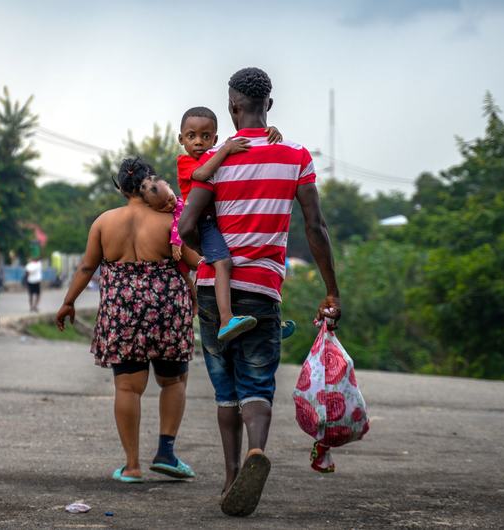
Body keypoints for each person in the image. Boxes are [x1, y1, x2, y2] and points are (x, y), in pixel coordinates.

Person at [179, 67, 341, 517]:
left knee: (225, 388)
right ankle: (256, 452)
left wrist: (207, 257)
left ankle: (232, 478)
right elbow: (315, 227)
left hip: (216, 291)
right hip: (264, 290)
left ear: (232, 107)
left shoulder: (215, 160)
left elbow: (188, 225)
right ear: (269, 104)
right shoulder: (296, 156)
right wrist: (332, 291)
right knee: (257, 381)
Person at [56, 158, 202, 483]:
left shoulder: (104, 222)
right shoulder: (168, 223)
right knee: (174, 381)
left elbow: (85, 268)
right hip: (167, 307)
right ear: (148, 184)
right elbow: (194, 262)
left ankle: (132, 465)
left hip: (121, 309)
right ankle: (166, 451)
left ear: (121, 187)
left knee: (127, 387)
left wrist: (68, 302)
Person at [176, 109, 296, 341]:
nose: (199, 142)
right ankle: (225, 320)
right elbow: (201, 175)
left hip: (222, 219)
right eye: (191, 136)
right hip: (205, 222)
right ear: (181, 139)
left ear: (215, 138)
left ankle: (270, 323)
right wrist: (225, 150)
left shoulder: (214, 154)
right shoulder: (187, 161)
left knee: (258, 254)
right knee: (223, 263)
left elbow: (243, 147)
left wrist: (266, 134)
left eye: (206, 136)